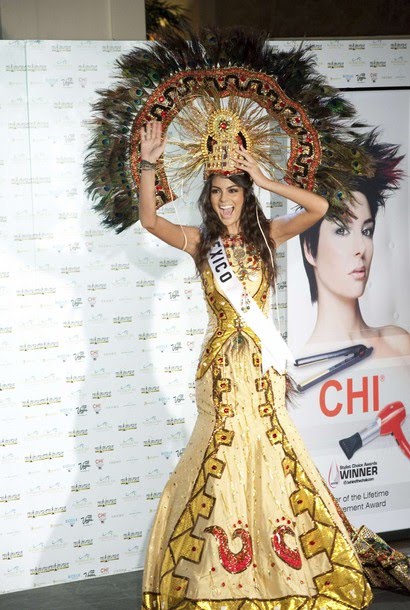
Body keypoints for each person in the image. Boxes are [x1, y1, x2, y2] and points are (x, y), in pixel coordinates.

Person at [138, 120, 376, 610]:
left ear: (246, 194)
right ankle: (217, 576)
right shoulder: (200, 241)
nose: (226, 199)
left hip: (263, 370)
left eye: (235, 189)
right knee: (222, 459)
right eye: (218, 190)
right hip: (221, 372)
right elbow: (149, 221)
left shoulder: (270, 234)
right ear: (208, 197)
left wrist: (266, 179)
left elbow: (320, 207)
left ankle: (278, 565)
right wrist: (148, 164)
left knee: (270, 454)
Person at [299, 154, 410, 359]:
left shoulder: (398, 343)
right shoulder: (304, 364)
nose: (361, 247)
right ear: (309, 249)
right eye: (342, 231)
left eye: (366, 231)